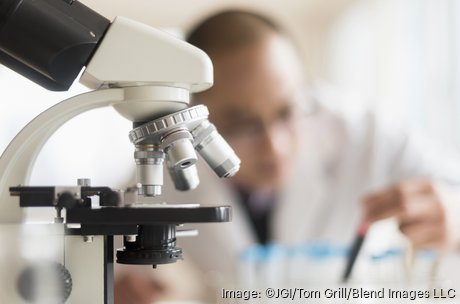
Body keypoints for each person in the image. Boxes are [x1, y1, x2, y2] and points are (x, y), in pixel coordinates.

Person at [115, 10, 460, 303]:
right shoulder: (164, 166)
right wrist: (125, 287)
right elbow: (117, 265)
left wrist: (454, 217)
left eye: (286, 111)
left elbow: (452, 188)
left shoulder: (366, 135)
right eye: (242, 124)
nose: (275, 146)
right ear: (194, 116)